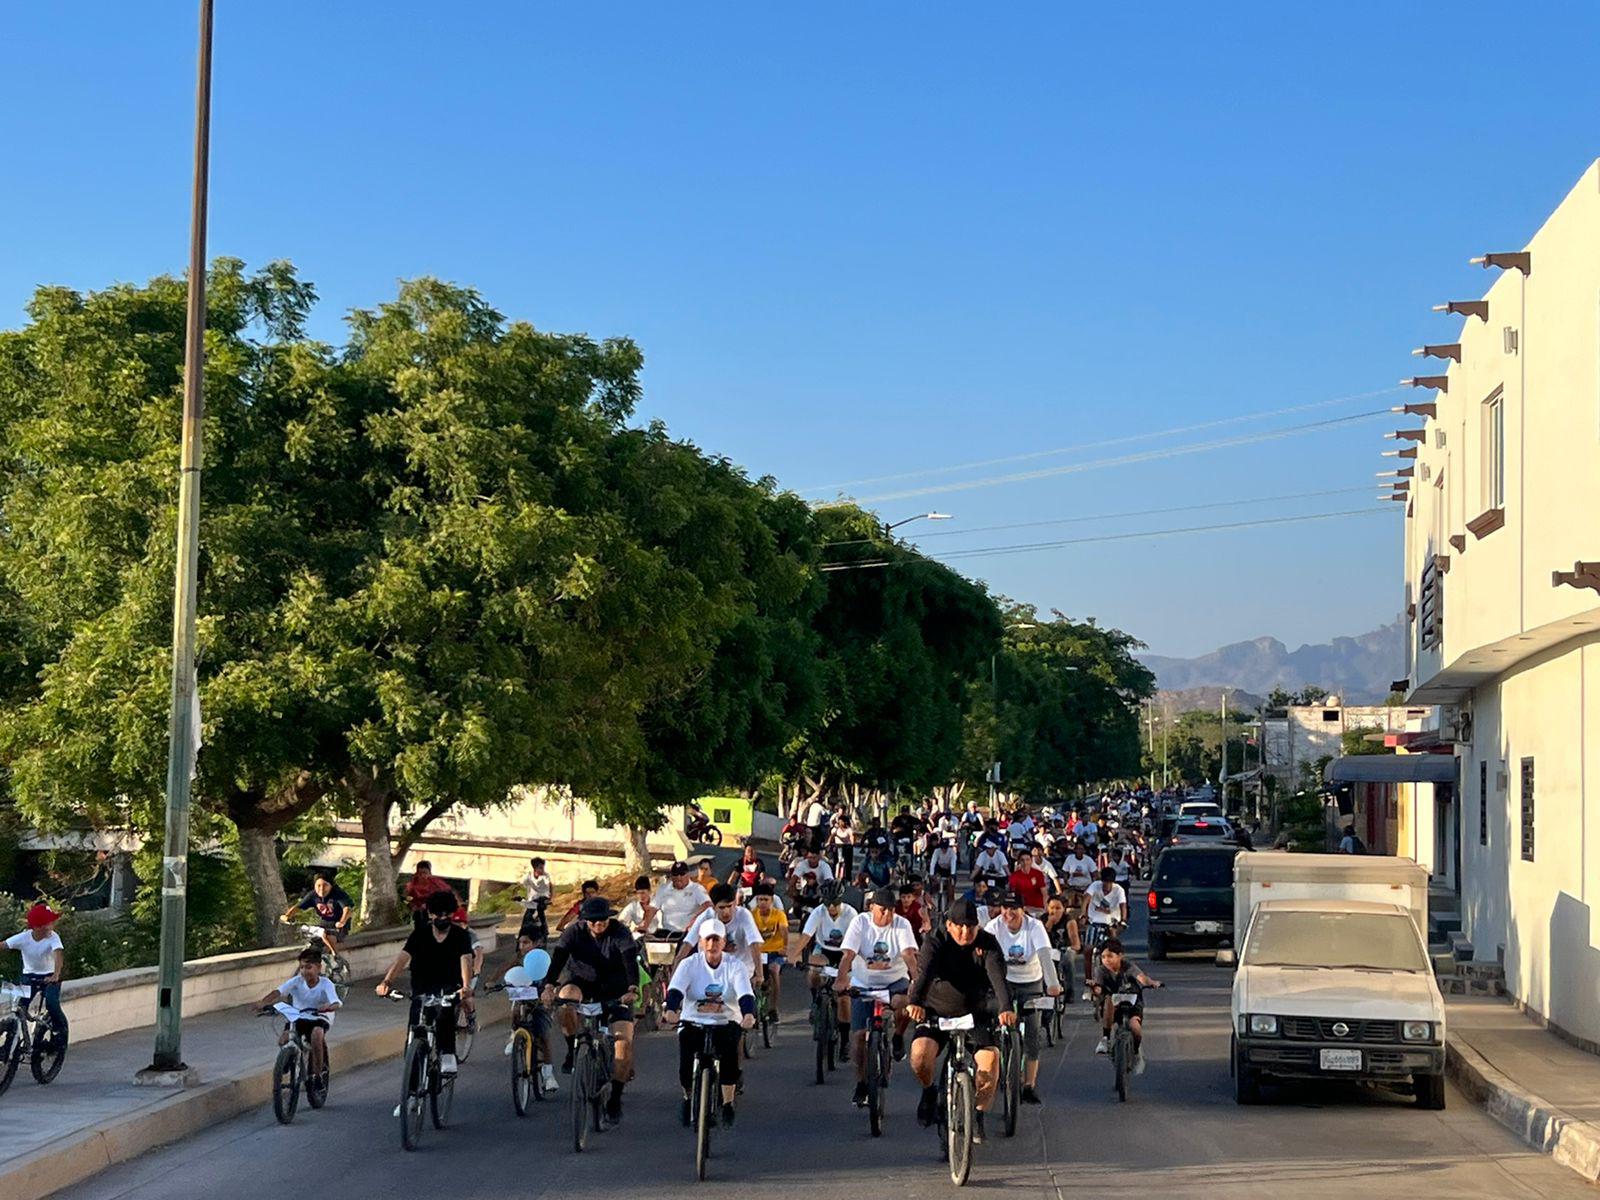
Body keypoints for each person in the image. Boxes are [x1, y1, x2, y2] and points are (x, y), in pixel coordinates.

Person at [904, 898, 1015, 1143]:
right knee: (920, 1056)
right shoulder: (935, 941)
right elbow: (924, 974)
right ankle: (929, 1090)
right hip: (935, 1011)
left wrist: (1006, 1008)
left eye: (971, 927)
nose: (965, 933)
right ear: (949, 925)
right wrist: (916, 1003)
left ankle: (977, 1115)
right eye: (960, 926)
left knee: (990, 1063)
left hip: (975, 1013)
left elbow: (998, 978)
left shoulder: (987, 943)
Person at [542, 896, 640, 1123]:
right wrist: (549, 985)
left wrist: (632, 988)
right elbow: (558, 959)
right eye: (593, 921)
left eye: (603, 920)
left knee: (623, 1045)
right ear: (584, 920)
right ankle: (572, 1048)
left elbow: (629, 960)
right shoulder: (573, 932)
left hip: (616, 989)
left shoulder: (620, 932)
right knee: (565, 1001)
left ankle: (615, 1097)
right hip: (582, 983)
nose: (599, 925)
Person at [663, 918, 756, 1127]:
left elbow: (745, 993)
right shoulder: (689, 964)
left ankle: (728, 1103)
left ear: (724, 943)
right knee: (686, 1061)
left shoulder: (735, 965)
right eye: (708, 940)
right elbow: (676, 989)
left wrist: (748, 1015)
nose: (712, 945)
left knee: (730, 1055)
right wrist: (671, 1010)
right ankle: (688, 1098)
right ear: (700, 942)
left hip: (726, 1019)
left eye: (717, 940)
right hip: (693, 1019)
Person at [835, 887, 920, 1105]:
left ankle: (899, 1036)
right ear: (872, 907)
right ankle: (862, 1083)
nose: (887, 916)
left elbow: (909, 955)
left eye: (891, 911)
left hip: (894, 981)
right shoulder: (860, 923)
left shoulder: (901, 924)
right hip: (864, 983)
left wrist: (916, 982)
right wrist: (842, 978)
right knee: (858, 1039)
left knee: (904, 1002)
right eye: (882, 910)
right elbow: (849, 954)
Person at [376, 890, 475, 1074]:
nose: (443, 918)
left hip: (449, 984)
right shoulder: (419, 935)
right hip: (422, 985)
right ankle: (411, 1095)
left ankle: (447, 1053)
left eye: (447, 914)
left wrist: (466, 987)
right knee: (415, 1028)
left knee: (445, 1013)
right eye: (438, 914)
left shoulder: (460, 936)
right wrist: (387, 981)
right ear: (430, 914)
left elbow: (466, 961)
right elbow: (402, 960)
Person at [984, 892, 1061, 1105]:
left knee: (1032, 1035)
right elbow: (981, 953)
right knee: (992, 1022)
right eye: (1005, 908)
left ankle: (1029, 1085)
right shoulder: (994, 926)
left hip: (1030, 982)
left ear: (1023, 910)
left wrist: (1052, 983)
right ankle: (996, 1063)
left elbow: (1045, 954)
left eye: (1014, 909)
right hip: (1003, 982)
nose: (1009, 913)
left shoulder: (1034, 927)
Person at [253, 946, 339, 1081]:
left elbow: (336, 1002)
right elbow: (278, 992)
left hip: (319, 1017)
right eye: (302, 967)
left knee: (316, 1035)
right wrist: (263, 1002)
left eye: (309, 967)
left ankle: (317, 1076)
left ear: (318, 968)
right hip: (298, 1016)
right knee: (284, 1039)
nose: (304, 971)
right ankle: (286, 1061)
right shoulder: (296, 981)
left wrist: (328, 1007)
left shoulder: (326, 984)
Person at [497, 932, 558, 1093]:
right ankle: (514, 1036)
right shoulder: (517, 959)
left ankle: (548, 1074)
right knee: (516, 1010)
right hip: (522, 996)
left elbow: (555, 977)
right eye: (520, 943)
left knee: (543, 1035)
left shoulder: (543, 959)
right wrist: (492, 982)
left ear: (536, 943)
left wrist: (550, 991)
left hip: (540, 999)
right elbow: (505, 971)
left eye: (526, 942)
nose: (522, 946)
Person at [1093, 938, 1162, 1070]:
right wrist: (1094, 989)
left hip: (1132, 1003)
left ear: (1120, 956)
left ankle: (1135, 1052)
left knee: (1135, 1028)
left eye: (1110, 956)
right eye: (1103, 957)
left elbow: (1141, 977)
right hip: (1113, 1005)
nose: (1106, 960)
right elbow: (1099, 987)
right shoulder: (1101, 971)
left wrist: (1151, 983)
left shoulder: (1129, 967)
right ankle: (1106, 1038)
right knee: (1108, 1000)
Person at [5, 902, 67, 1044]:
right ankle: (17, 1042)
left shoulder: (53, 937)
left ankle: (60, 1030)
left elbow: (58, 955)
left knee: (52, 1004)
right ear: (38, 927)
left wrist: (55, 975)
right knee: (20, 1006)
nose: (52, 926)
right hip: (29, 976)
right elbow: (4, 945)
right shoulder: (24, 937)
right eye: (49, 923)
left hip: (50, 976)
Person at [682, 884, 764, 988]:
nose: (726, 912)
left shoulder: (744, 915)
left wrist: (760, 974)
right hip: (711, 969)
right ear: (713, 907)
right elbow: (687, 945)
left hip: (740, 967)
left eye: (729, 906)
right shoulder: (706, 916)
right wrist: (674, 979)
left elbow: (754, 943)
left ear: (735, 903)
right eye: (721, 907)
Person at [1082, 866, 1128, 1000]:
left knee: (1115, 950)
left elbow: (1123, 906)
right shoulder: (1094, 886)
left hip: (1111, 923)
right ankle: (1088, 980)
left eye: (1109, 883)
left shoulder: (1119, 890)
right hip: (1094, 921)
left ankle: (1120, 977)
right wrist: (1083, 914)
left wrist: (1123, 920)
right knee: (1088, 950)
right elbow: (1086, 899)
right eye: (1104, 882)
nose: (1106, 886)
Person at [750, 883, 789, 1021]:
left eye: (766, 900)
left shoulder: (779, 915)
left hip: (774, 952)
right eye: (760, 899)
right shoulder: (751, 915)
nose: (762, 903)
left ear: (772, 901)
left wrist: (784, 947)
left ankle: (773, 1008)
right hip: (757, 953)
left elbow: (784, 931)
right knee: (749, 975)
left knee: (774, 971)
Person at [645, 861, 713, 936]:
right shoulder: (663, 889)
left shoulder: (697, 889)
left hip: (689, 933)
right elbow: (652, 909)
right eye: (675, 874)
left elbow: (708, 905)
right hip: (668, 933)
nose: (679, 877)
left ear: (688, 875)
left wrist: (696, 919)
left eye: (682, 874)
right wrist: (644, 925)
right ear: (671, 876)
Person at [403, 861, 455, 931]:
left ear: (429, 873)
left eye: (425, 873)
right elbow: (407, 898)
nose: (422, 876)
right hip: (419, 912)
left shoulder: (436, 883)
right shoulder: (412, 884)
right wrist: (411, 905)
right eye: (420, 873)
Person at [519, 857, 553, 941]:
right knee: (527, 918)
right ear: (535, 868)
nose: (542, 870)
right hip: (532, 901)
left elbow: (550, 885)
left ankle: (544, 931)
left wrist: (550, 898)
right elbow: (520, 885)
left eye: (543, 868)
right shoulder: (528, 876)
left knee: (540, 909)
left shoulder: (545, 876)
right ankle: (522, 935)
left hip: (543, 899)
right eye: (540, 868)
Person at [1007, 847, 1051, 911]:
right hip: (1022, 909)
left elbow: (1044, 893)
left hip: (1038, 908)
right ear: (1019, 861)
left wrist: (1046, 908)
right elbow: (1013, 894)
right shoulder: (1014, 876)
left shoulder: (1038, 874)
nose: (1025, 862)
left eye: (1027, 859)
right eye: (1022, 860)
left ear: (1031, 861)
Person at [827, 811, 857, 881]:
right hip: (838, 847)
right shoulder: (836, 829)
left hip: (847, 847)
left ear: (845, 822)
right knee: (836, 862)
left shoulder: (849, 830)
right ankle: (834, 876)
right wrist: (829, 843)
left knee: (848, 863)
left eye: (841, 821)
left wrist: (852, 842)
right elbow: (832, 836)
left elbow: (851, 837)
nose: (840, 823)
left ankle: (848, 878)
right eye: (839, 821)